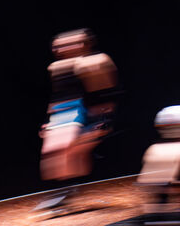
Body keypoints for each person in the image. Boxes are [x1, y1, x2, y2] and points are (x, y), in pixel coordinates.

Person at [36, 28, 119, 213]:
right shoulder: (56, 67)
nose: (62, 49)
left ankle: (66, 191)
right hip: (65, 111)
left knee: (68, 148)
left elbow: (106, 92)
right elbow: (58, 95)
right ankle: (64, 191)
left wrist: (103, 118)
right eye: (59, 46)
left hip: (86, 111)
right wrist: (49, 120)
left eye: (70, 44)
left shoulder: (97, 61)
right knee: (51, 153)